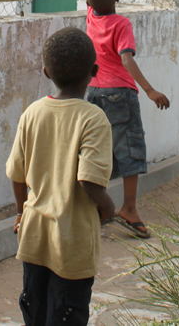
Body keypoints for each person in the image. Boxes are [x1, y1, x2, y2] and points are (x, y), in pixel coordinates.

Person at [6, 26, 117, 326]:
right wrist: (107, 206)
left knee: (35, 310)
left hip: (34, 235)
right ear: (94, 71)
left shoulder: (32, 113)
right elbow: (89, 180)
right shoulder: (93, 118)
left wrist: (20, 212)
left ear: (45, 72)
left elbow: (16, 174)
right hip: (73, 241)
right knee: (67, 314)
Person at [73, 0, 170, 239]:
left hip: (92, 93)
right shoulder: (121, 24)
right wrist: (150, 90)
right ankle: (128, 209)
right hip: (120, 94)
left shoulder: (91, 16)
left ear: (90, 5)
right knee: (130, 148)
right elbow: (126, 59)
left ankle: (94, 207)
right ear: (116, 0)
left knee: (95, 149)